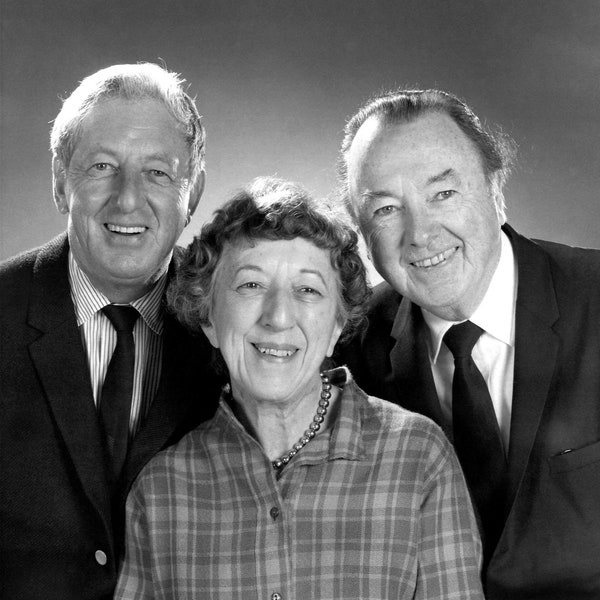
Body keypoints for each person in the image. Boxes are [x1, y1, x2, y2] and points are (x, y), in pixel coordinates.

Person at [114, 177, 484, 599]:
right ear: (209, 318)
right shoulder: (161, 490)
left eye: (307, 290)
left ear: (337, 326)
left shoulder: (418, 458)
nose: (278, 317)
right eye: (250, 285)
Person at [336, 88, 600, 599]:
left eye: (443, 194)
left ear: (495, 185)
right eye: (387, 209)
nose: (420, 235)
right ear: (361, 229)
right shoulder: (347, 348)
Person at [0, 63, 222, 600]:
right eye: (101, 166)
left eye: (157, 173)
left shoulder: (235, 327)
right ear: (59, 181)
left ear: (191, 194)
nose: (127, 199)